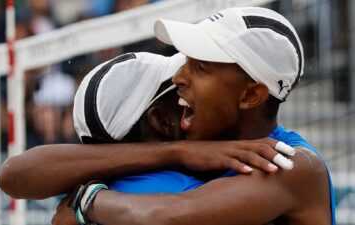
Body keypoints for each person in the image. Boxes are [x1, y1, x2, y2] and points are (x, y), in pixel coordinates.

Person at [52, 7, 336, 225]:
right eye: (185, 61)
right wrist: (177, 151)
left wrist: (85, 202)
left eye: (200, 68)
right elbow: (16, 174)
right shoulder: (201, 152)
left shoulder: (294, 165)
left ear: (250, 96)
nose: (178, 77)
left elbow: (167, 216)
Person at [0, 52, 289, 199]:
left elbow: (14, 175)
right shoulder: (177, 193)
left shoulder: (99, 189)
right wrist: (176, 151)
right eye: (178, 85)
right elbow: (13, 174)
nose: (185, 82)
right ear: (161, 120)